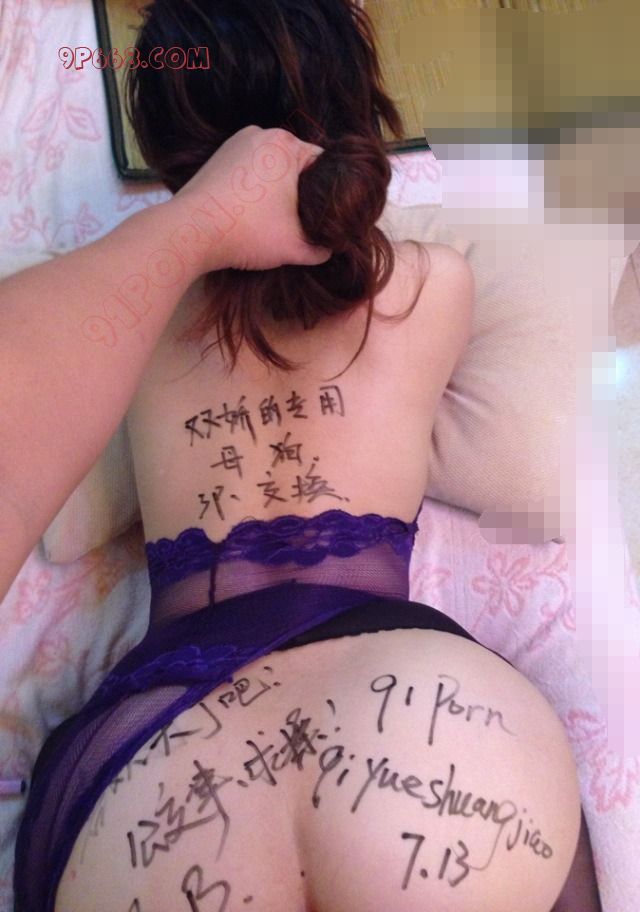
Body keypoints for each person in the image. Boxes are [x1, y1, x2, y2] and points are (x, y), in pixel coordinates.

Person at [6, 2, 600, 911]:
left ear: (166, 143)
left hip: (165, 753)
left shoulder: (131, 306)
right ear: (363, 111)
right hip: (419, 719)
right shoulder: (433, 282)